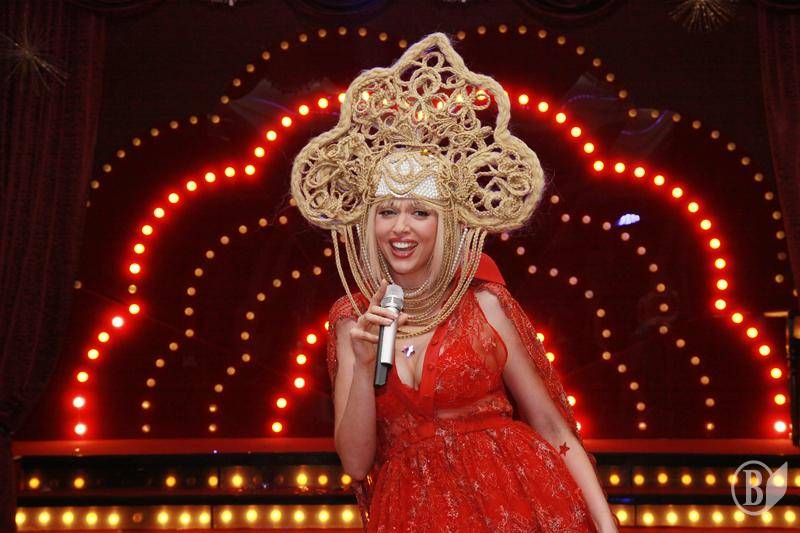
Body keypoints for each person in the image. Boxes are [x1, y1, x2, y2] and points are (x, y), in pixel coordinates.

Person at [291, 32, 619, 532]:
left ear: (444, 223)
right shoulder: (352, 321)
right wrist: (361, 366)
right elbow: (356, 465)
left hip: (516, 503)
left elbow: (553, 427)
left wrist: (607, 527)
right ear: (368, 222)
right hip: (414, 514)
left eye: (419, 212)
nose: (401, 228)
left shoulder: (485, 303)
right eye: (387, 212)